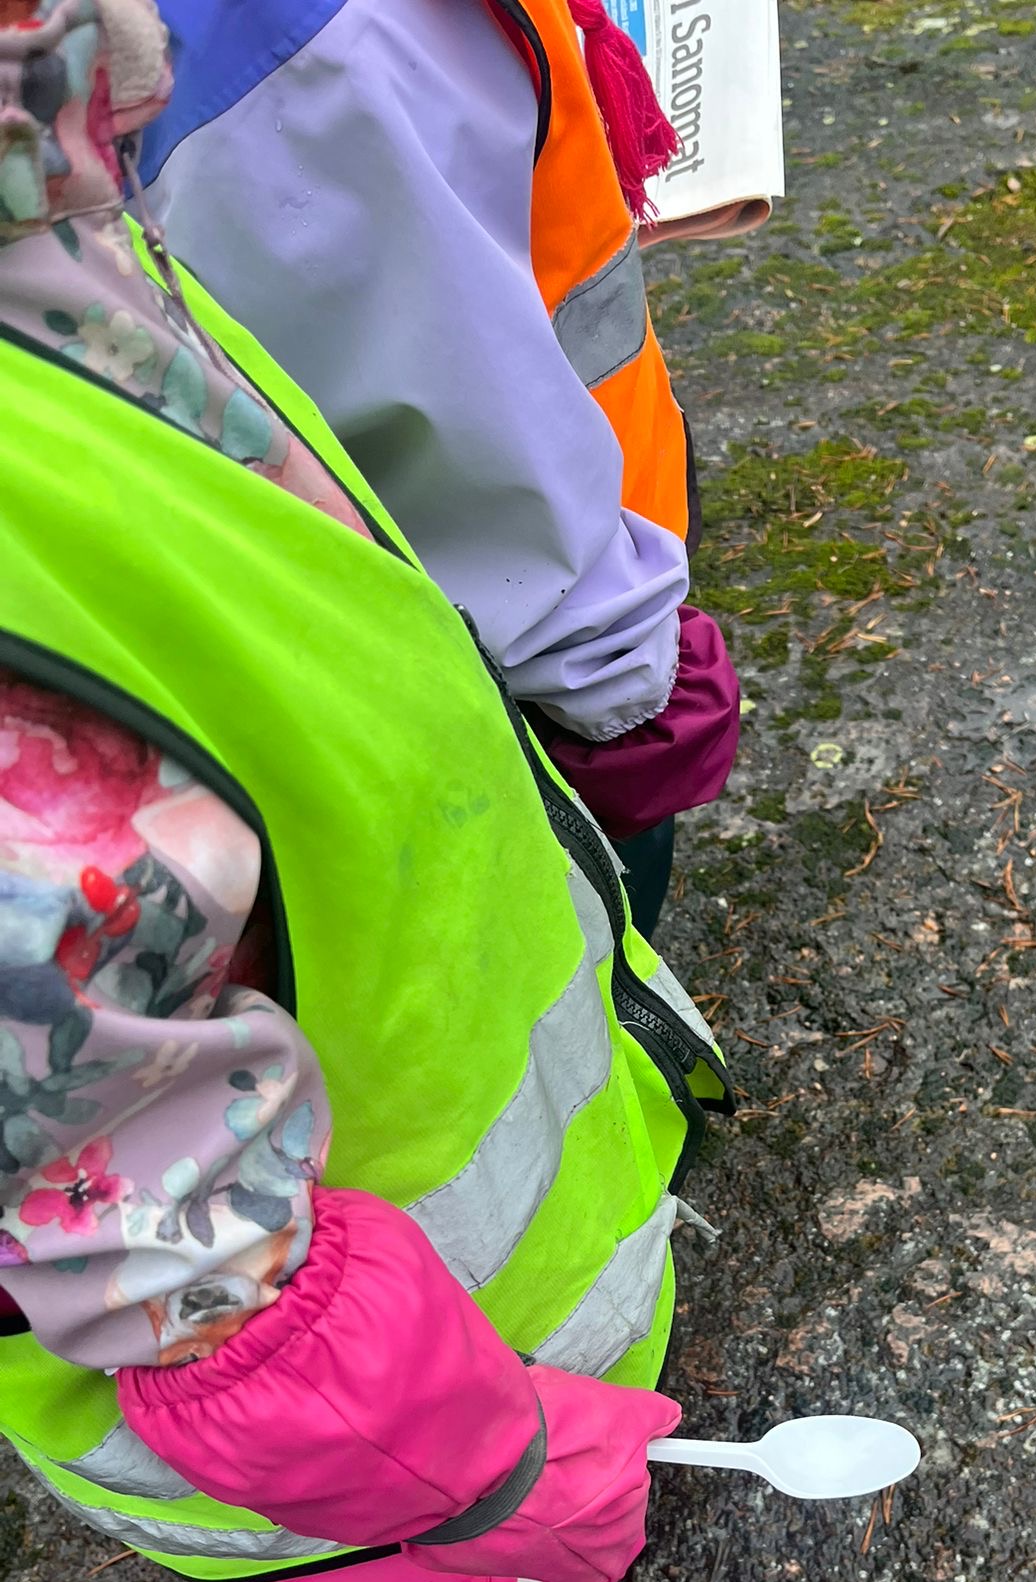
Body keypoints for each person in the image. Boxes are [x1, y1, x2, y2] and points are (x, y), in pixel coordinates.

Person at [0, 0, 734, 1582]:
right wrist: (476, 1461)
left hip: (423, 1186)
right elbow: (166, 1251)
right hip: (340, 1381)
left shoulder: (52, 233)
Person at [135, 0, 742, 939]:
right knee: (570, 963)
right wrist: (619, 694)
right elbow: (449, 411)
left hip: (576, 557)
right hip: (517, 680)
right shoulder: (292, 46)